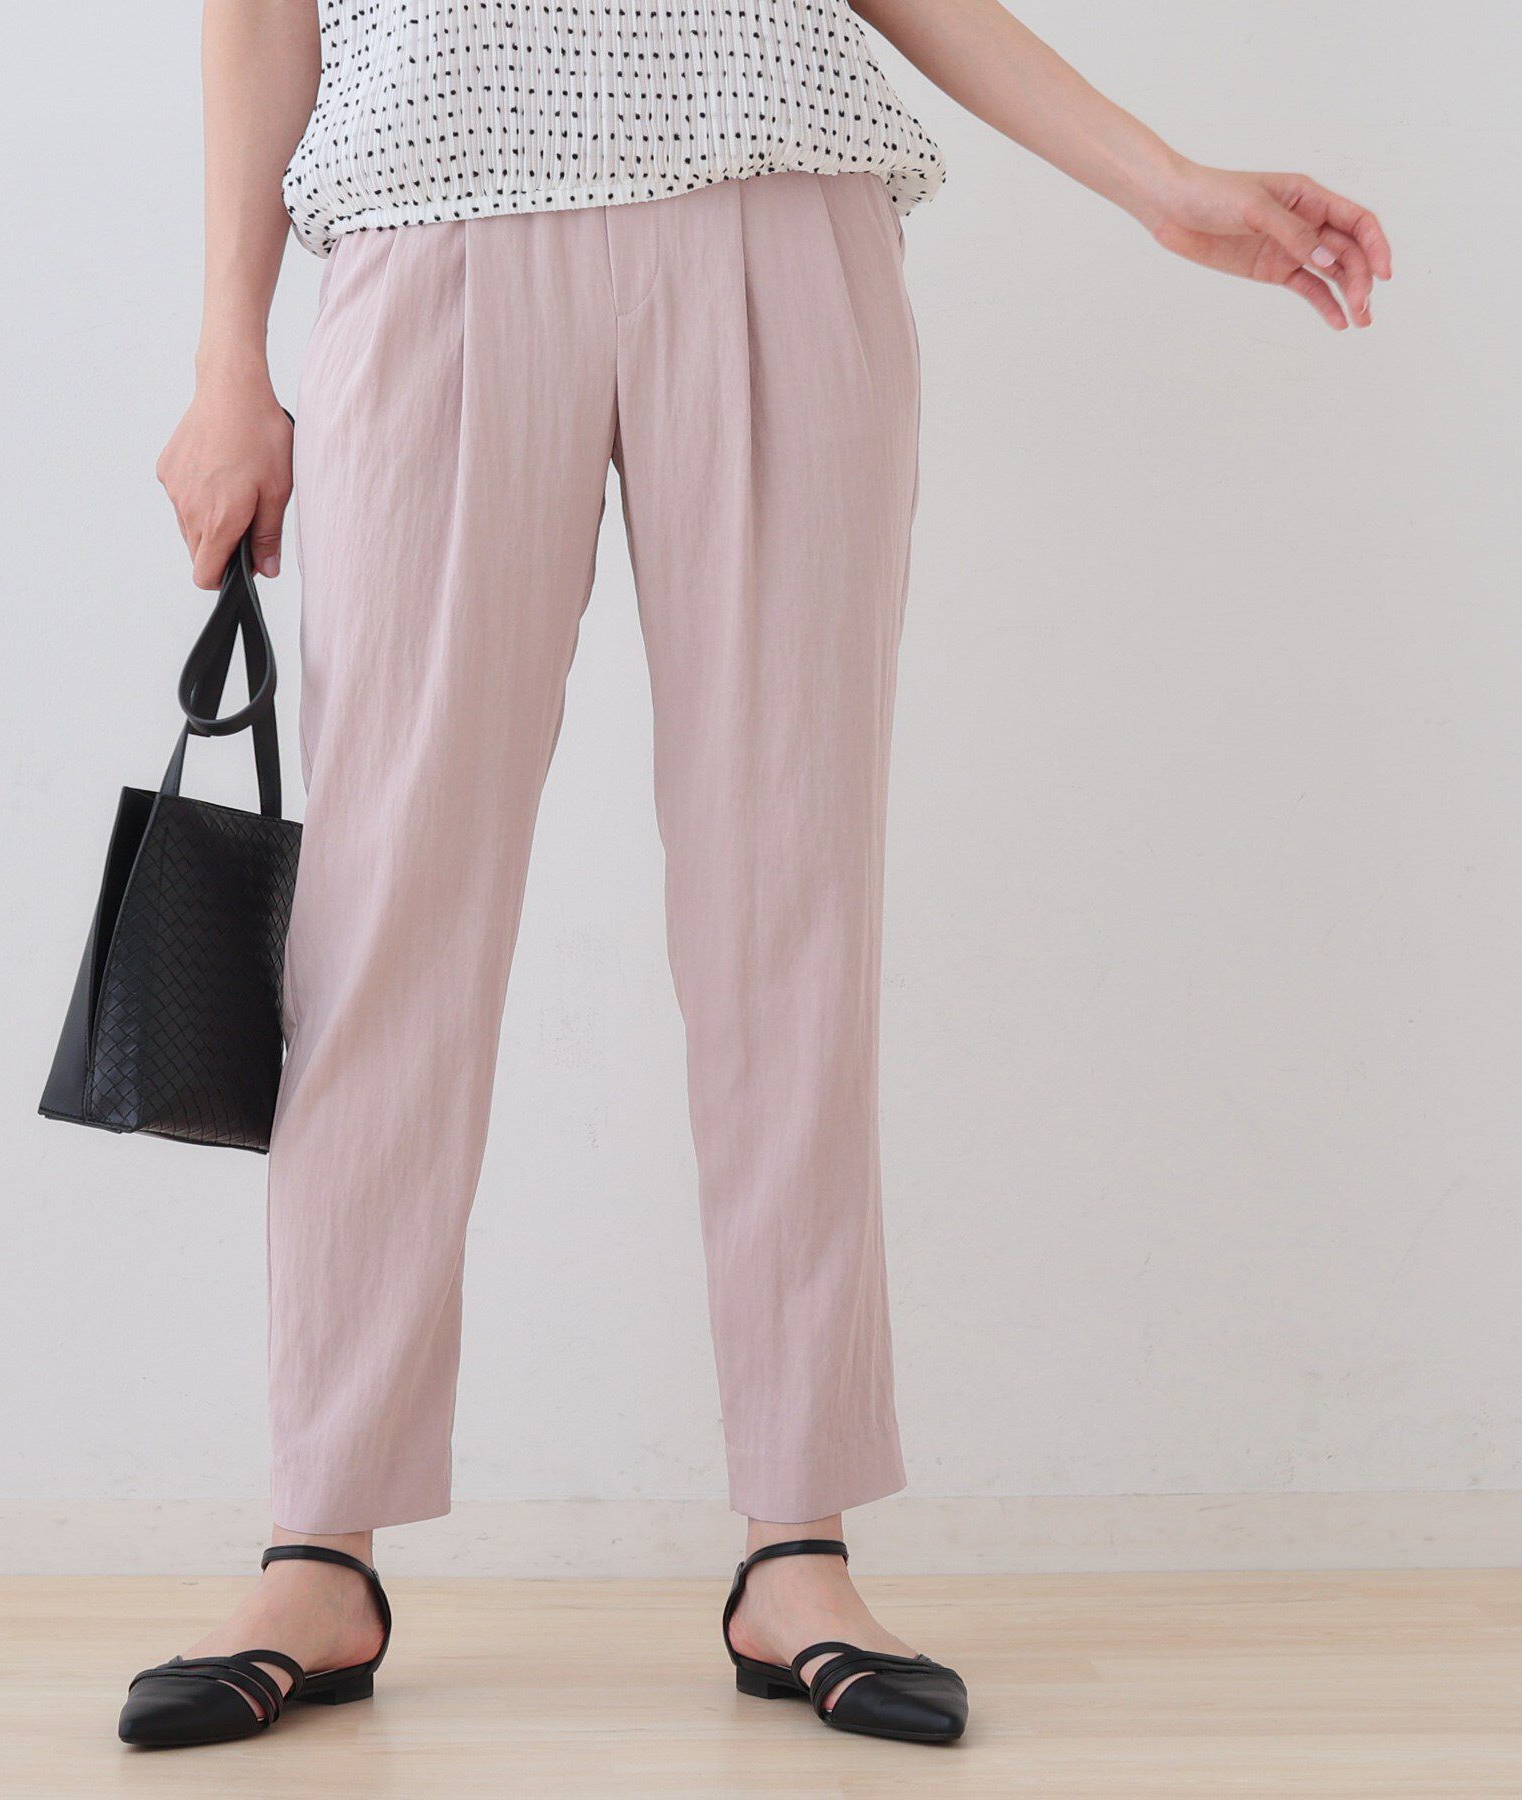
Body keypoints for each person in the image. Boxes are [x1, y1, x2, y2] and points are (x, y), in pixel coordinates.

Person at [119, 0, 1391, 1752]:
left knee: (790, 902)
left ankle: (798, 1543)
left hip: (779, 217)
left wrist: (1159, 182)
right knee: (380, 917)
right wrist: (225, 358)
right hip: (436, 225)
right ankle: (318, 1544)